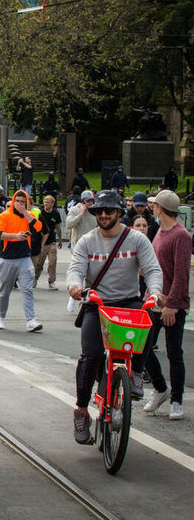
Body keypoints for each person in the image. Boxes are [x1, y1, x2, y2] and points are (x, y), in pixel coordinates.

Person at [66, 190, 163, 443]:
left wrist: (154, 292)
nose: (104, 215)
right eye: (100, 211)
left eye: (109, 210)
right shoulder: (87, 241)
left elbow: (152, 269)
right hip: (96, 303)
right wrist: (75, 287)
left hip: (128, 302)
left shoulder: (137, 240)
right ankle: (82, 410)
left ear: (120, 213)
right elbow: (75, 269)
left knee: (148, 320)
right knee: (91, 355)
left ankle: (137, 374)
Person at [141, 190, 189, 420]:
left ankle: (177, 400)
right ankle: (161, 389)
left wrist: (172, 304)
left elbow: (181, 274)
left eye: (154, 205)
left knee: (174, 352)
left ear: (160, 208)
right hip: (153, 300)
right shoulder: (159, 230)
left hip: (171, 304)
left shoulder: (181, 235)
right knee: (143, 346)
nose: (152, 208)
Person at [0, 190, 43, 332]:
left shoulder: (30, 215)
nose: (20, 204)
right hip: (7, 258)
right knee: (5, 291)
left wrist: (26, 213)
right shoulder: (4, 215)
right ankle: (1, 317)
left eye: (23, 202)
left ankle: (31, 320)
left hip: (25, 258)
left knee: (27, 289)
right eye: (18, 201)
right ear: (13, 201)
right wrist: (15, 236)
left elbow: (38, 227)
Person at [32, 195, 62, 290]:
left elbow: (58, 227)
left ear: (52, 204)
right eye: (45, 201)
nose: (45, 203)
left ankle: (52, 281)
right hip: (41, 241)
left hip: (51, 241)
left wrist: (60, 240)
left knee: (52, 262)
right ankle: (35, 279)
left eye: (48, 202)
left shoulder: (56, 213)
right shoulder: (40, 212)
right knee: (39, 263)